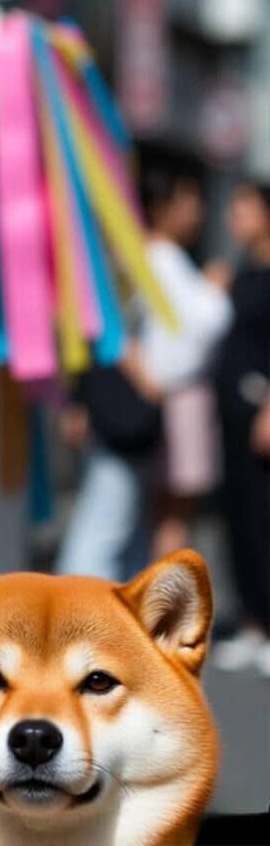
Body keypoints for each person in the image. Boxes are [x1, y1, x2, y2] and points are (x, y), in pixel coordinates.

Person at [57, 160, 231, 581]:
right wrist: (142, 376)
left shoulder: (139, 259)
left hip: (133, 411)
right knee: (108, 518)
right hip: (123, 410)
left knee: (126, 519)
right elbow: (105, 328)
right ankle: (79, 612)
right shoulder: (138, 261)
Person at [211, 182, 270, 677]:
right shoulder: (241, 272)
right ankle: (253, 621)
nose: (234, 216)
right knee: (242, 520)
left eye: (243, 206)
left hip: (262, 415)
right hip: (233, 419)